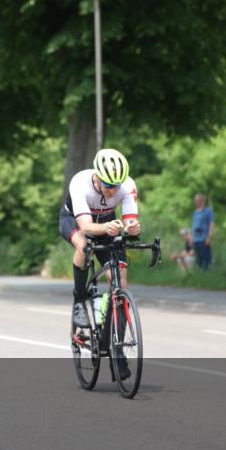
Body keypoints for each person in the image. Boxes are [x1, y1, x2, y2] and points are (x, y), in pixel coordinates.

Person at [59, 149, 140, 377]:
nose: (113, 190)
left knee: (120, 282)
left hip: (106, 222)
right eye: (107, 185)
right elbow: (85, 227)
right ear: (97, 176)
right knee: (84, 247)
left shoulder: (127, 185)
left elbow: (130, 221)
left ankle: (117, 351)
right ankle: (79, 297)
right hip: (75, 220)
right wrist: (106, 228)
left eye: (117, 185)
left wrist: (133, 228)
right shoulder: (80, 183)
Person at [191, 193, 215, 270]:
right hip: (196, 238)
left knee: (206, 257)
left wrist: (209, 237)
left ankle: (207, 272)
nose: (196, 202)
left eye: (197, 200)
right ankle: (200, 273)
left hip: (204, 238)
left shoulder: (208, 211)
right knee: (199, 258)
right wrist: (192, 237)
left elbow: (211, 224)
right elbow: (194, 225)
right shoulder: (195, 212)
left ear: (202, 201)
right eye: (195, 200)